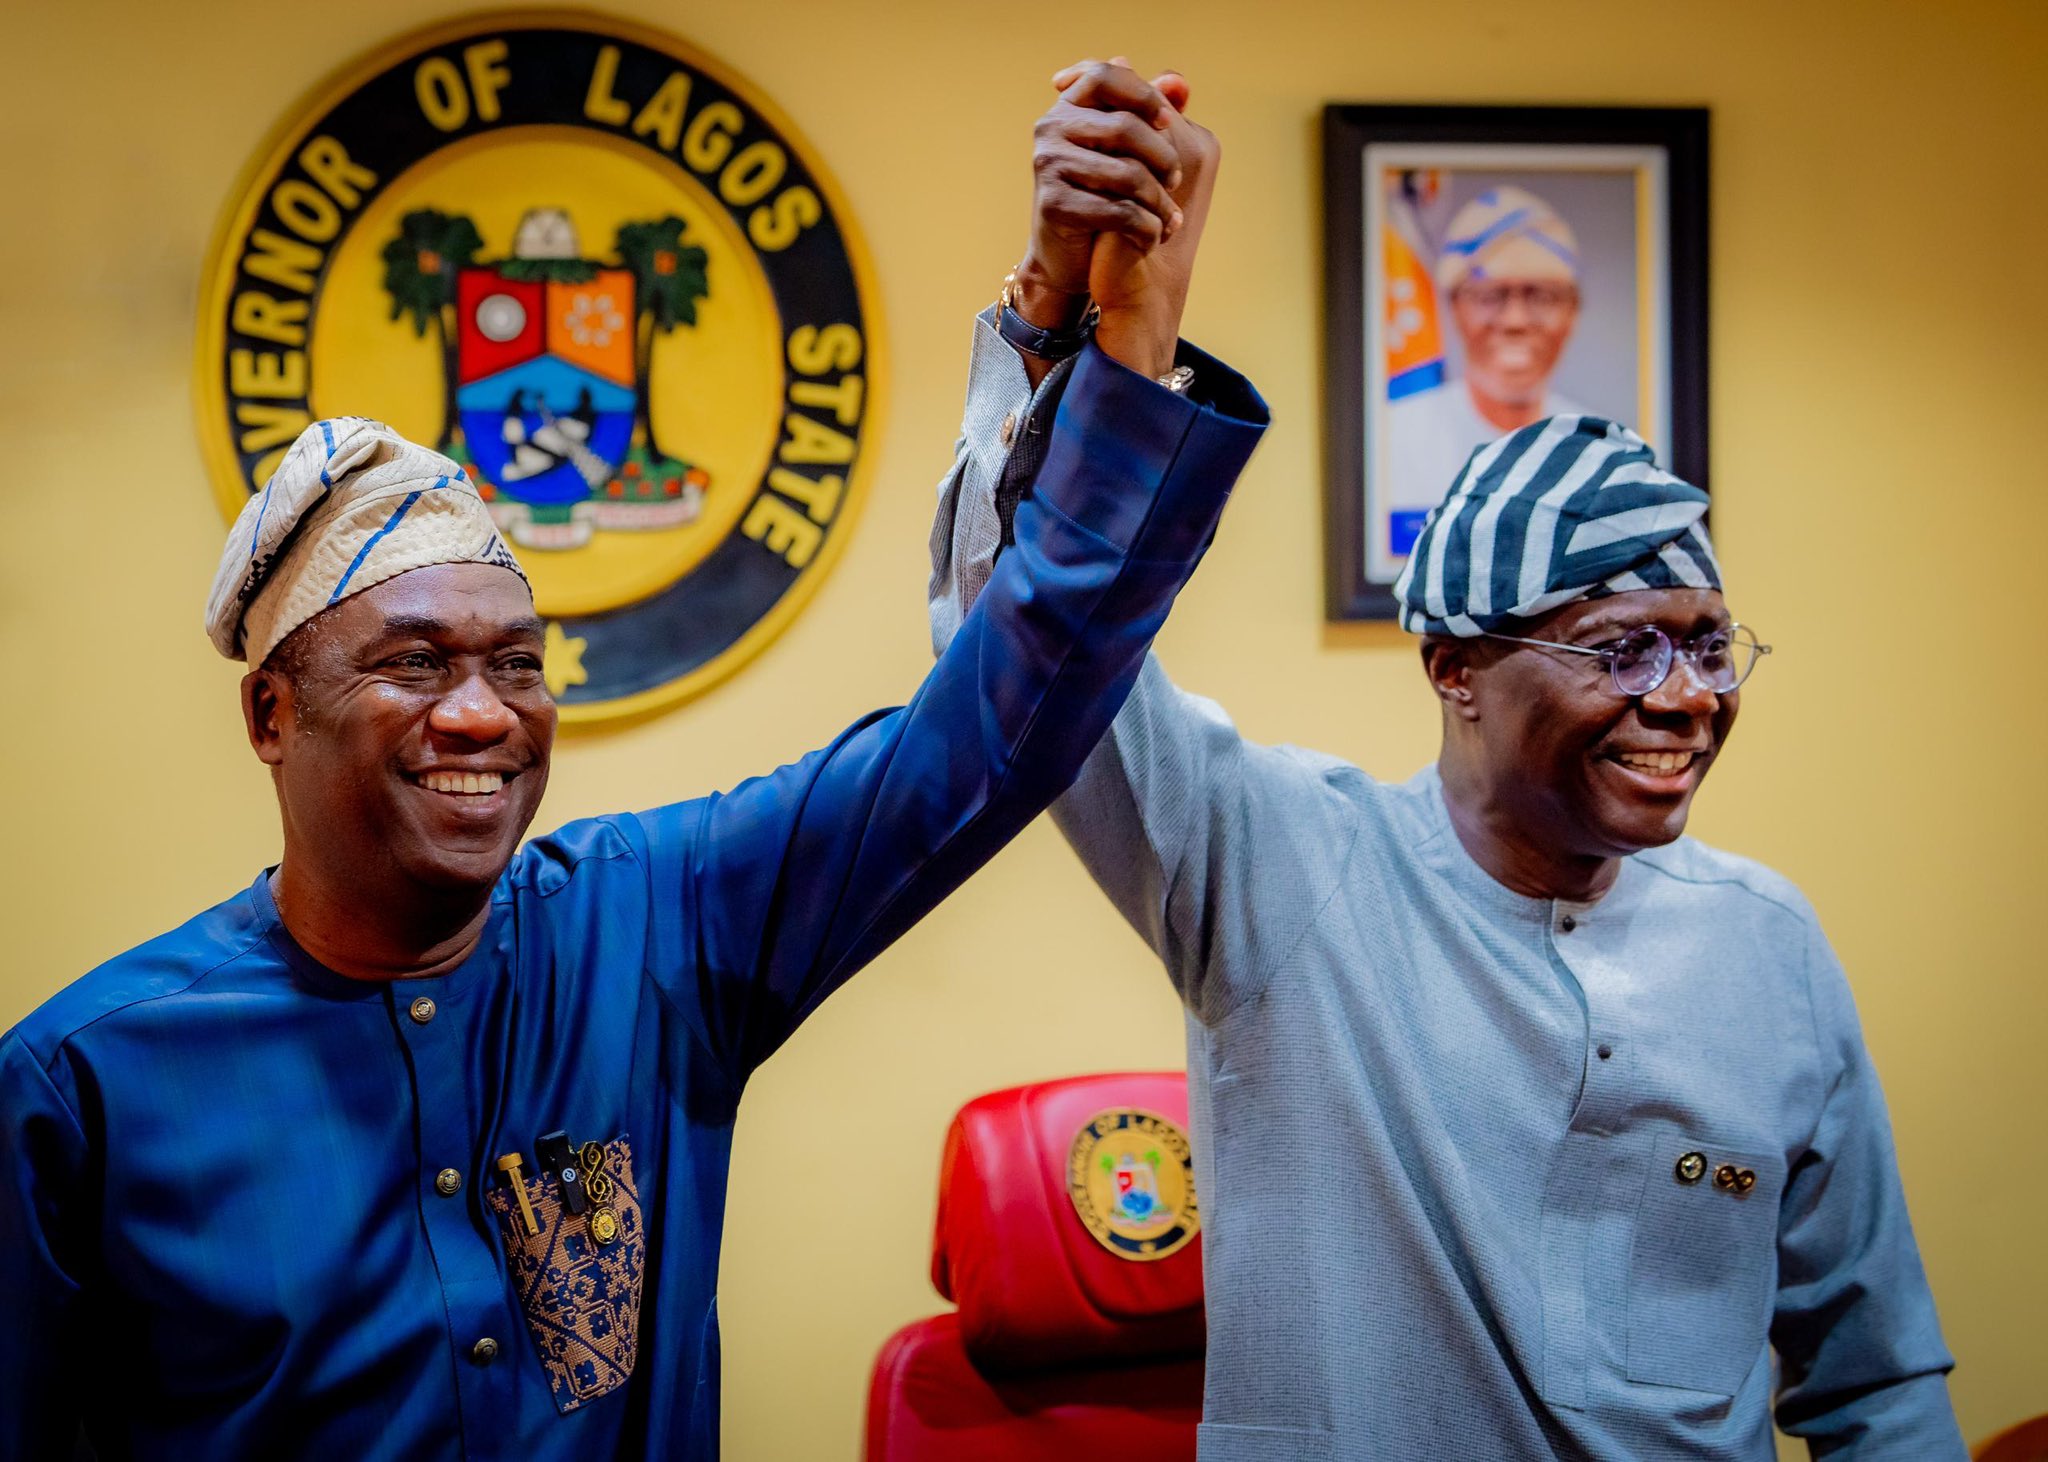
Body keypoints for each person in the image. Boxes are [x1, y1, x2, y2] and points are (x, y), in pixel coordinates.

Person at [0, 66, 1259, 1461]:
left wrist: (1088, 337)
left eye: (516, 663)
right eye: (413, 662)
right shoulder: (86, 1086)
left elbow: (990, 734)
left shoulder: (652, 928)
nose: (481, 713)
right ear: (271, 714)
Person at [929, 69, 1964, 1460]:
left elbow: (1876, 1385)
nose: (1686, 699)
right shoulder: (1275, 868)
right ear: (1456, 667)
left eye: (1709, 645)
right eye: (1622, 648)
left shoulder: (1767, 948)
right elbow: (1019, 652)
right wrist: (1059, 313)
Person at [1385, 185, 1590, 541]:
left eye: (1542, 296)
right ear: (1454, 308)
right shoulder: (1391, 442)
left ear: (1572, 312)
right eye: (1490, 296)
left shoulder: (1604, 450)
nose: (1515, 320)